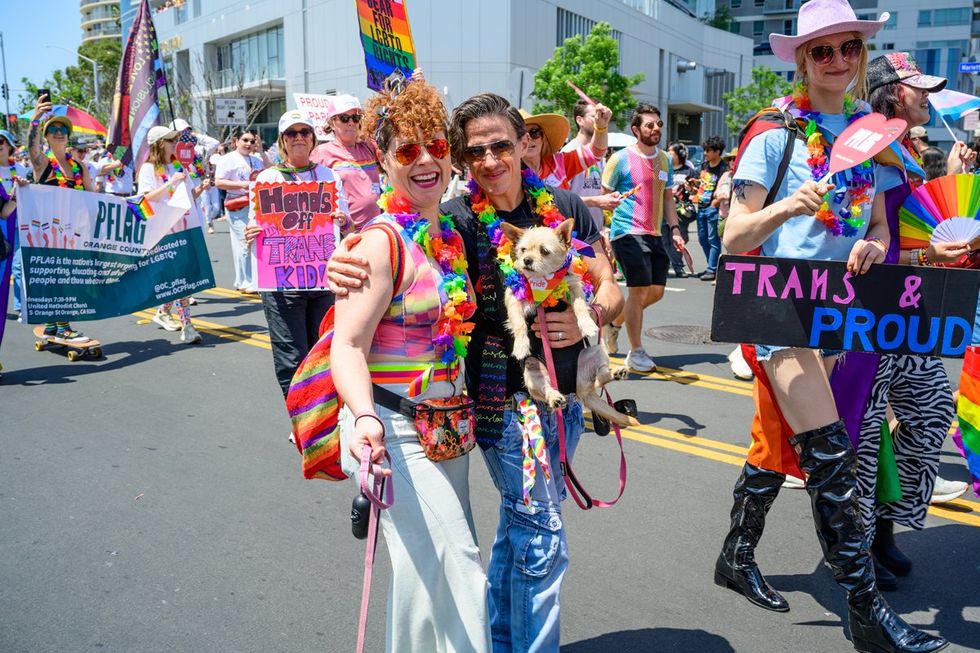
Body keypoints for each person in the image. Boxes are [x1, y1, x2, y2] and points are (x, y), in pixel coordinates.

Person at [329, 92, 624, 653]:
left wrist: (591, 314)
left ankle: (502, 640)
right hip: (500, 404)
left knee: (520, 532)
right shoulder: (457, 221)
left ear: (524, 143)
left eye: (501, 146)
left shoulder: (564, 206)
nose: (490, 161)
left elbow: (608, 283)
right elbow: (398, 245)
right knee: (540, 535)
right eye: (475, 151)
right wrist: (345, 255)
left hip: (559, 401)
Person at [716, 2, 948, 651]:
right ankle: (866, 613)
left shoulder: (872, 137)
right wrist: (789, 205)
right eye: (823, 51)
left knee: (800, 448)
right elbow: (734, 238)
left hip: (842, 316)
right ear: (802, 60)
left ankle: (736, 553)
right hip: (782, 310)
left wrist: (875, 244)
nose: (838, 60)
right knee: (829, 459)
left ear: (860, 54)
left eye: (848, 48)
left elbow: (876, 225)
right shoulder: (775, 136)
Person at [294, 78, 491, 652]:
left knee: (422, 573)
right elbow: (348, 345)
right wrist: (363, 418)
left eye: (436, 145)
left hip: (448, 429)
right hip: (394, 432)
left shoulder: (448, 234)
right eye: (407, 150)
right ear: (381, 159)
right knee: (459, 565)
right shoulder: (380, 244)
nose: (425, 160)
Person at [858, 52, 969, 591]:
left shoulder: (907, 154)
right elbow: (863, 247)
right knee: (864, 433)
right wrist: (925, 256)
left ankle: (885, 523)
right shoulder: (864, 150)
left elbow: (917, 233)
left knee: (931, 413)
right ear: (892, 94)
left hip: (909, 312)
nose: (927, 96)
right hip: (865, 317)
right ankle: (857, 545)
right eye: (917, 87)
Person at [243, 110, 347, 398]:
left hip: (322, 280)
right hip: (281, 283)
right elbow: (255, 223)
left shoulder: (329, 176)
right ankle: (300, 414)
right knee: (291, 356)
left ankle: (325, 411)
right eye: (291, 133)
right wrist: (250, 233)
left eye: (304, 132)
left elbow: (346, 223)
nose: (298, 138)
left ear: (312, 139)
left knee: (323, 351)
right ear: (282, 140)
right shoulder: (267, 178)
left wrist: (342, 221)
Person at [600, 103, 685, 371]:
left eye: (659, 124)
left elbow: (668, 197)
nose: (656, 128)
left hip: (655, 233)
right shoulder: (619, 159)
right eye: (649, 125)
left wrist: (675, 229)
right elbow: (604, 196)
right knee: (638, 292)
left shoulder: (665, 160)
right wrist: (605, 231)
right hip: (626, 232)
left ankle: (613, 325)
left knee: (656, 292)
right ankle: (636, 352)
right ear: (636, 130)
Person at [27, 93, 93, 341]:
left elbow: (92, 197)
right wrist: (35, 119)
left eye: (63, 129)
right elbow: (32, 147)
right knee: (58, 277)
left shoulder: (79, 166)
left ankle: (53, 325)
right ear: (46, 136)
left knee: (66, 278)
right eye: (53, 129)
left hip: (74, 230)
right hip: (48, 231)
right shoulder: (43, 163)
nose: (58, 132)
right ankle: (63, 327)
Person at [137, 125, 210, 344]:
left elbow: (187, 196)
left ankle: (163, 311)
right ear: (160, 144)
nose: (175, 144)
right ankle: (187, 326)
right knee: (179, 277)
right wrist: (171, 183)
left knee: (182, 276)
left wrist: (200, 189)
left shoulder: (178, 166)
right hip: (164, 230)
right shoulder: (148, 169)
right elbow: (145, 199)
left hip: (185, 226)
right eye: (170, 140)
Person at [311, 94, 382, 229]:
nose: (351, 122)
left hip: (376, 229)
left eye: (355, 118)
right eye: (344, 118)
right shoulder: (321, 153)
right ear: (332, 123)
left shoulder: (369, 146)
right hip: (346, 233)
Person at [561, 99, 623, 233]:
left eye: (601, 116)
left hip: (596, 231)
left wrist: (608, 199)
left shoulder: (599, 156)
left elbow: (597, 191)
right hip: (575, 233)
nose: (599, 120)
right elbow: (562, 200)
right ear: (580, 120)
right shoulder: (568, 153)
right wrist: (596, 201)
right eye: (595, 116)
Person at [215, 130, 264, 293]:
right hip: (237, 204)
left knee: (252, 241)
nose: (249, 144)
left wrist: (262, 151)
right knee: (245, 241)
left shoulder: (257, 159)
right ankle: (245, 280)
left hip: (255, 205)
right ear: (236, 141)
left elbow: (272, 170)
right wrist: (241, 185)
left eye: (252, 141)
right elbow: (218, 182)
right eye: (245, 140)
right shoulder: (228, 159)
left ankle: (247, 279)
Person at [520, 105, 610, 192]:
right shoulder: (513, 174)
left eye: (534, 132)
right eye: (521, 135)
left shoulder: (558, 162)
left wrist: (601, 127)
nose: (528, 139)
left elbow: (595, 152)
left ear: (542, 137)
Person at [0, 128, 29, 378]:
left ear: (9, 145)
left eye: (1, 141)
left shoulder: (18, 170)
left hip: (12, 237)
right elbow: (3, 212)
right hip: (3, 237)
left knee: (1, 301)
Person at [692, 135, 728, 281]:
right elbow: (702, 185)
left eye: (708, 150)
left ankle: (712, 269)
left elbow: (727, 188)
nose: (705, 153)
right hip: (701, 206)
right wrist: (694, 186)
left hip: (714, 208)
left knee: (713, 239)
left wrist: (715, 203)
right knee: (702, 239)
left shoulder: (724, 169)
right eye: (705, 150)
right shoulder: (704, 166)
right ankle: (712, 267)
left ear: (717, 152)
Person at [665, 141, 697, 278]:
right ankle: (670, 265)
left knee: (680, 238)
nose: (668, 155)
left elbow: (697, 191)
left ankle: (677, 265)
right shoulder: (665, 170)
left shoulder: (689, 171)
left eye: (671, 152)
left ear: (680, 154)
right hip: (665, 208)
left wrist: (690, 189)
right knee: (665, 240)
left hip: (681, 210)